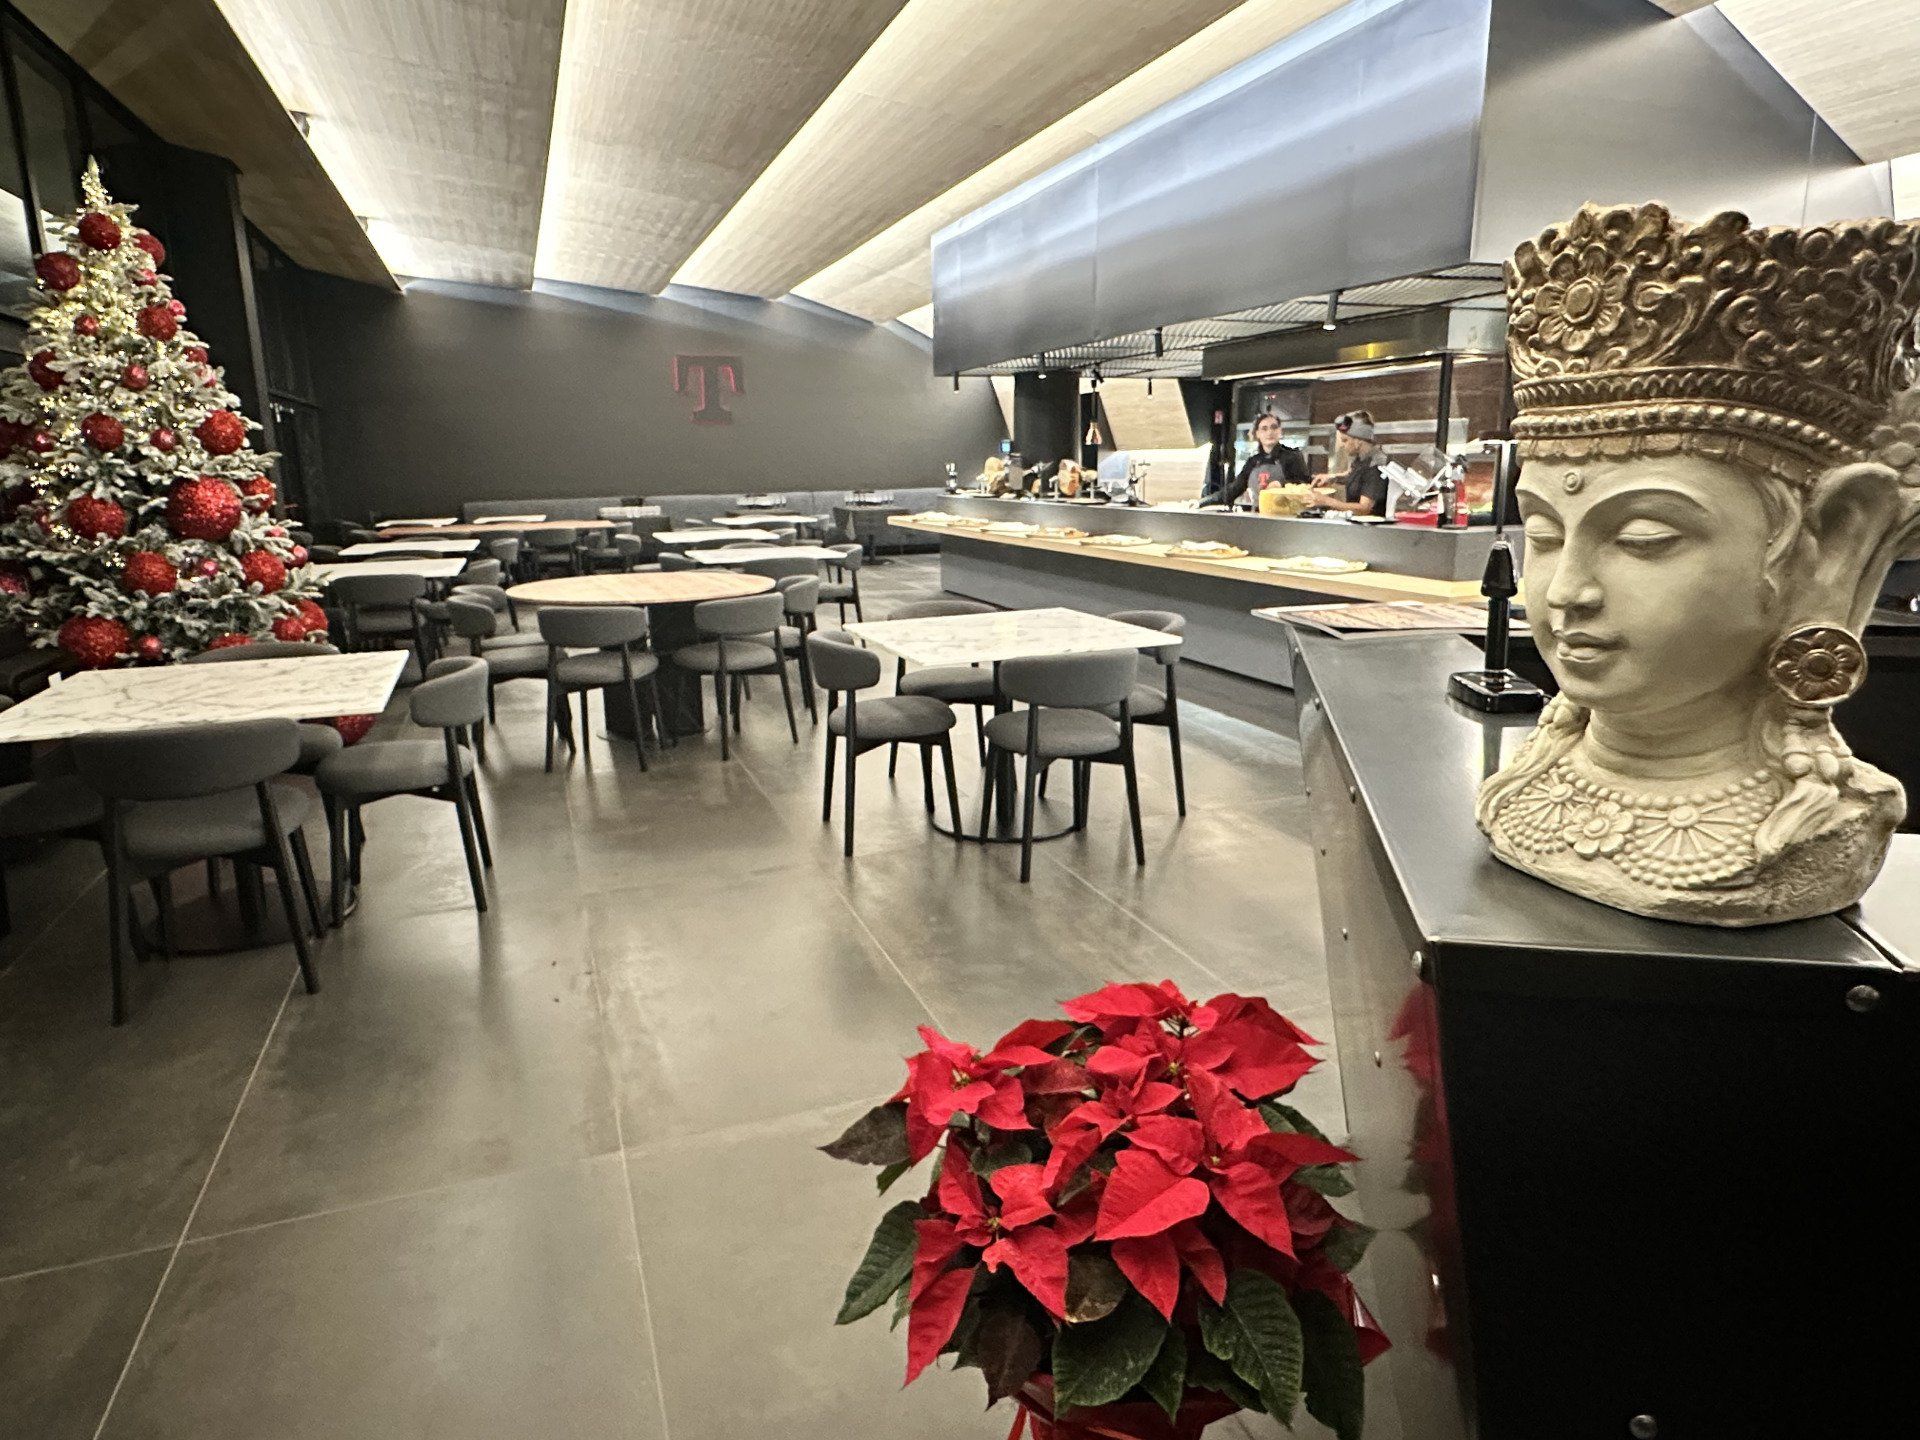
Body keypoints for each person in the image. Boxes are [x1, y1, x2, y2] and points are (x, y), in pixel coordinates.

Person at [1204, 412, 1307, 507]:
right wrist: (1204, 501)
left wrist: (1282, 485)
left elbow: (1304, 485)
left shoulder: (1293, 456)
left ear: (1280, 431)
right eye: (1264, 428)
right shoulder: (1252, 462)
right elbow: (1233, 490)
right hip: (1258, 516)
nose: (1269, 432)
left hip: (1285, 517)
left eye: (1274, 427)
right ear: (1257, 433)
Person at [1314, 411, 1389, 516]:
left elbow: (1365, 508)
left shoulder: (1376, 465)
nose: (1342, 445)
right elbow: (1354, 475)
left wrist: (1326, 501)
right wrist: (1332, 477)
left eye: (1345, 440)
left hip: (1370, 529)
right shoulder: (1362, 458)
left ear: (1358, 441)